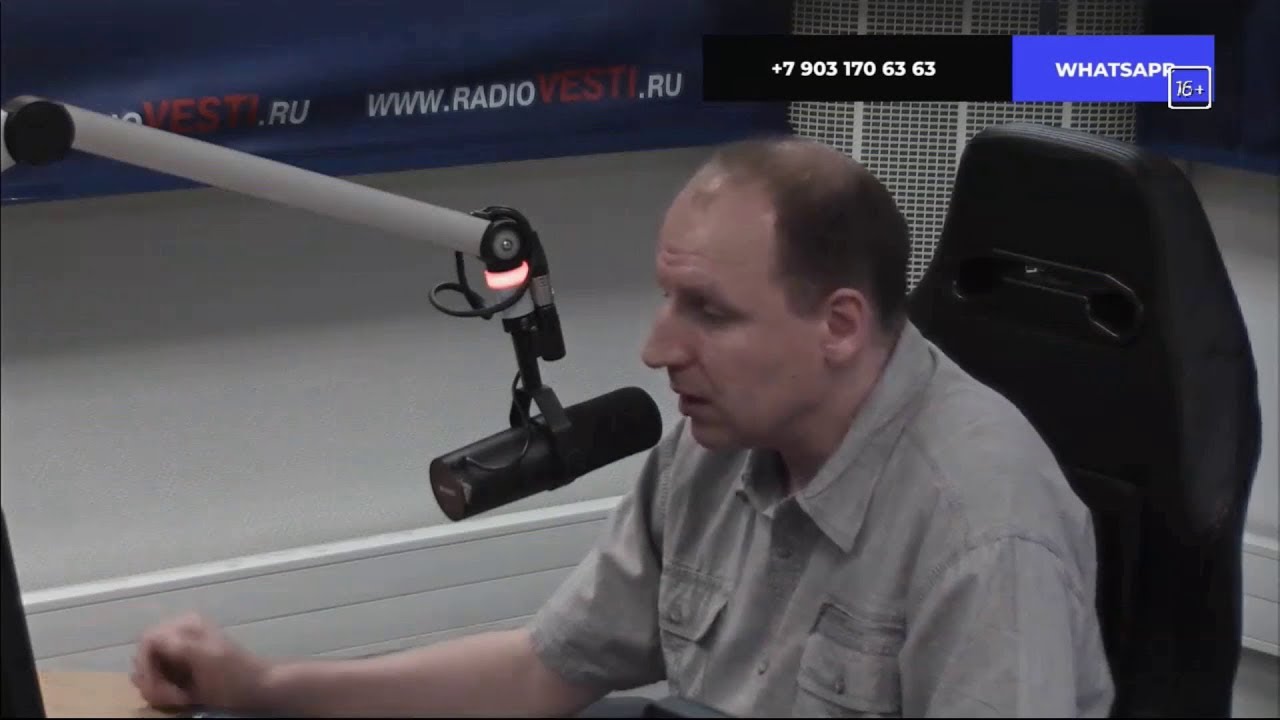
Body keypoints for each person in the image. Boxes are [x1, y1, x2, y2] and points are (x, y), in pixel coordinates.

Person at [130, 136, 1115, 717]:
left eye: (708, 312)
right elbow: (542, 670)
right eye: (666, 298)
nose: (656, 348)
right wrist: (266, 688)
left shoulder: (983, 530)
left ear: (840, 326)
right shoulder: (716, 442)